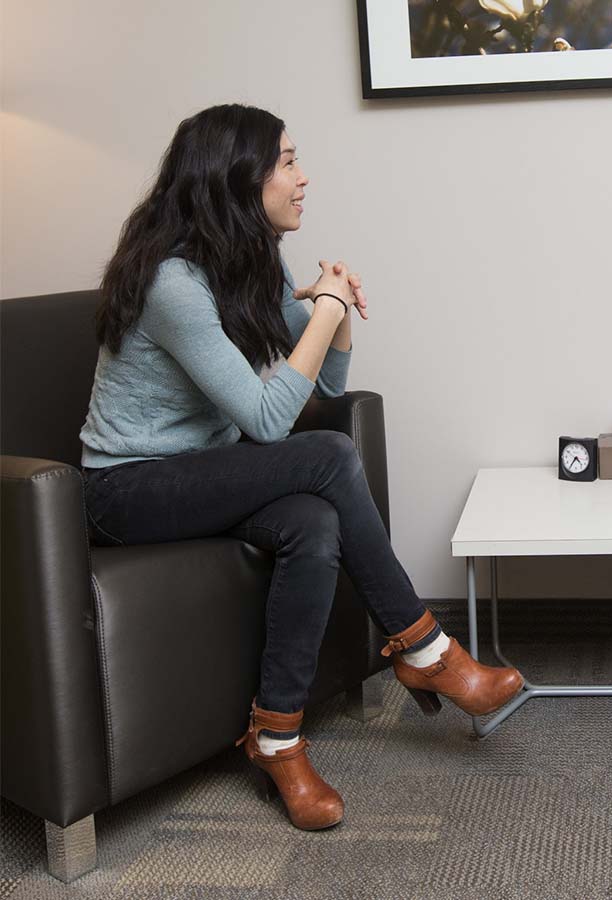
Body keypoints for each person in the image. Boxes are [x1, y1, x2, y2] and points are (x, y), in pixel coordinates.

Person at [80, 103, 524, 832]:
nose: (303, 176)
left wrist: (334, 314)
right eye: (287, 162)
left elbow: (322, 385)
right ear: (237, 180)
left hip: (207, 470)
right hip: (127, 489)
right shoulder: (171, 284)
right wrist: (322, 308)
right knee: (328, 454)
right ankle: (424, 648)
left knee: (313, 519)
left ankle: (277, 736)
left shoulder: (245, 263)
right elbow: (266, 417)